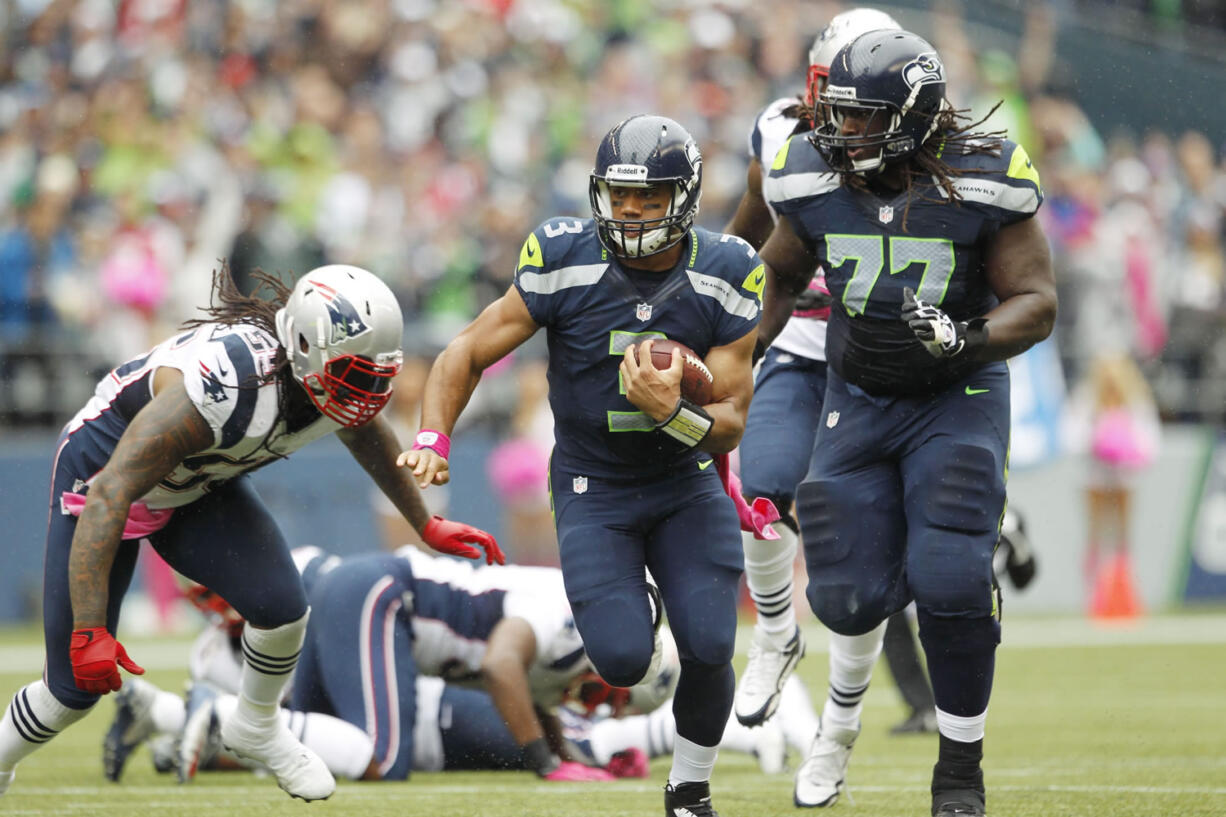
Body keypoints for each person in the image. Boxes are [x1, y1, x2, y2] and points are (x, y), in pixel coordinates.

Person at [0, 264, 502, 802]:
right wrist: (90, 631)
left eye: (377, 375)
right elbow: (110, 493)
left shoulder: (322, 376)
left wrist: (424, 522)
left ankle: (256, 726)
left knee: (283, 608)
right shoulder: (228, 385)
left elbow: (363, 430)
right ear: (304, 346)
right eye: (355, 373)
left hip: (193, 481)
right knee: (71, 693)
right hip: (101, 479)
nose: (367, 391)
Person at [398, 114, 764, 817]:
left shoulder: (726, 269)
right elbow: (467, 349)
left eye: (649, 197)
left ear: (683, 198)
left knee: (713, 641)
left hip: (686, 481)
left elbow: (730, 422)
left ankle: (688, 788)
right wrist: (434, 438)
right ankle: (643, 602)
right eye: (619, 195)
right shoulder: (562, 254)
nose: (629, 211)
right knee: (623, 658)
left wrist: (672, 413)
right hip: (594, 486)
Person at [757, 29, 1057, 817]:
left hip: (956, 395)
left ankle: (960, 771)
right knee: (846, 598)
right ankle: (913, 580)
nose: (839, 133)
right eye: (838, 115)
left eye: (860, 119)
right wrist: (730, 356)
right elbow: (779, 274)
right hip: (856, 397)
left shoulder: (984, 175)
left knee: (951, 580)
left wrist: (973, 336)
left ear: (914, 116)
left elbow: (1039, 300)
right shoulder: (812, 176)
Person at [722, 8, 904, 808]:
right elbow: (753, 218)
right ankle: (773, 632)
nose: (842, 109)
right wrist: (718, 291)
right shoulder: (779, 131)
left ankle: (839, 726)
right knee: (759, 493)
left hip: (879, 360)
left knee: (856, 567)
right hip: (799, 341)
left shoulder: (922, 149)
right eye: (832, 90)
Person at [106, 545, 677, 783]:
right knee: (383, 755)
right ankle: (218, 712)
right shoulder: (568, 612)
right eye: (608, 695)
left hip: (370, 599)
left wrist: (570, 755)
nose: (594, 704)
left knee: (308, 756)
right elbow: (504, 668)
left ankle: (185, 719)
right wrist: (545, 765)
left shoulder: (574, 650)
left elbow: (531, 698)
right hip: (381, 596)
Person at [883, 506, 1039, 736]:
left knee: (896, 620)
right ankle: (939, 712)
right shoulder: (1006, 515)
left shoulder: (1002, 516)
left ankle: (934, 711)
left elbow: (1023, 578)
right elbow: (1023, 580)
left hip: (959, 589)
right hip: (965, 594)